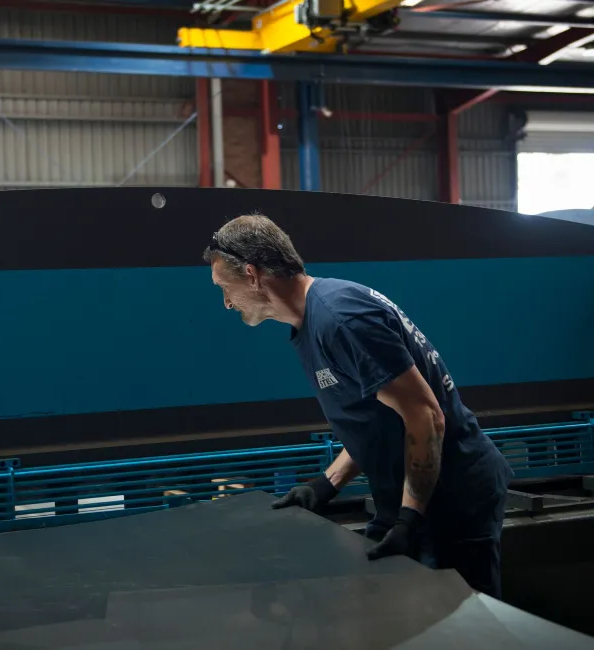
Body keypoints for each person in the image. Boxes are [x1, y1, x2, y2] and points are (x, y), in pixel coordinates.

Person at [203, 213, 514, 598]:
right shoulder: (312, 322)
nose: (227, 303)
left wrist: (409, 519)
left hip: (450, 500)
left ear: (251, 274)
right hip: (410, 502)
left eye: (224, 288)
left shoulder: (340, 319)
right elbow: (380, 420)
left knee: (463, 630)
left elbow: (426, 416)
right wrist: (325, 485)